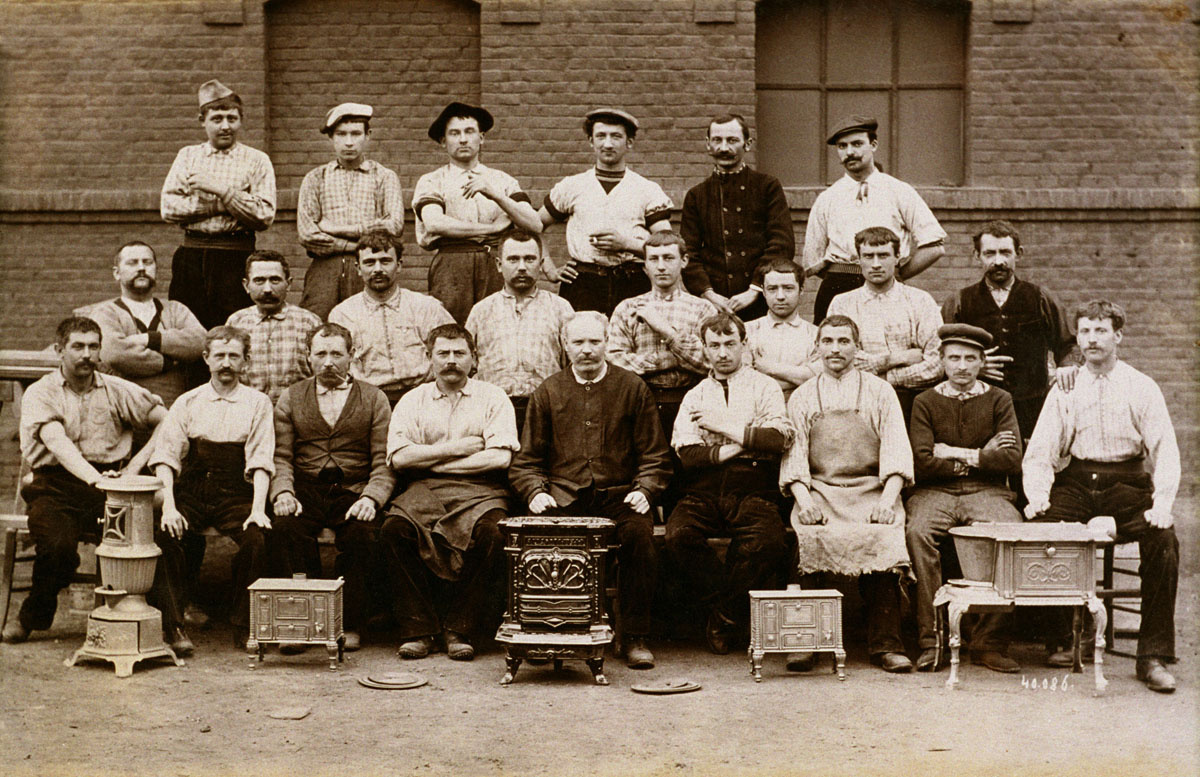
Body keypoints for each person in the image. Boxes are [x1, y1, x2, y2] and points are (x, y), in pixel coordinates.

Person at [1023, 300, 1181, 693]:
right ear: (1077, 338)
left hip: (1128, 484)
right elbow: (1042, 450)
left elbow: (1165, 450)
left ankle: (1153, 656)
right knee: (1043, 529)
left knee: (1163, 539)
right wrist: (1039, 495)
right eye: (1085, 332)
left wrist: (1161, 504)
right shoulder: (1066, 386)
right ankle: (1063, 638)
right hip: (1077, 481)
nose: (1091, 339)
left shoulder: (1141, 386)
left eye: (1100, 331)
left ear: (1118, 336)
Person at [3, 317, 187, 654]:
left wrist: (134, 466)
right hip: (55, 486)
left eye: (93, 346)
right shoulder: (40, 393)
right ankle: (33, 616)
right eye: (78, 346)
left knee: (155, 538)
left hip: (114, 483)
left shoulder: (115, 388)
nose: (87, 354)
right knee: (57, 546)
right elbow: (57, 443)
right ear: (60, 350)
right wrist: (96, 479)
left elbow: (170, 420)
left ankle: (170, 626)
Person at [510, 312, 672, 669]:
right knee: (540, 539)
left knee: (640, 537)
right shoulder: (548, 391)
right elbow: (526, 461)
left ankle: (634, 635)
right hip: (565, 497)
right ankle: (548, 631)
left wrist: (645, 489)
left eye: (594, 342)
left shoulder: (632, 388)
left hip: (620, 495)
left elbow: (655, 455)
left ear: (607, 343)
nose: (586, 350)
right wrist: (536, 491)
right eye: (578, 343)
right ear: (565, 346)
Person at [780, 315, 914, 673]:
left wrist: (887, 502)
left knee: (883, 538)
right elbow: (795, 457)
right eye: (828, 341)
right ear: (817, 347)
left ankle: (885, 645)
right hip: (821, 491)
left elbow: (897, 450)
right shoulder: (803, 395)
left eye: (843, 341)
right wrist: (805, 503)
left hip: (872, 489)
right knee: (807, 541)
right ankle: (805, 642)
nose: (835, 349)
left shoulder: (880, 391)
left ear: (857, 347)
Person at [381, 324, 518, 661]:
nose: (451, 361)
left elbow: (499, 457)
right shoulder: (413, 400)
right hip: (424, 490)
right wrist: (460, 448)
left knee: (494, 534)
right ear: (430, 359)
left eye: (460, 354)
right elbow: (400, 457)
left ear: (475, 359)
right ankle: (420, 629)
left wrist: (432, 460)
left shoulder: (493, 397)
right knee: (394, 531)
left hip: (481, 490)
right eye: (443, 353)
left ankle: (461, 628)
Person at [666, 313, 792, 654]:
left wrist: (721, 426)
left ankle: (724, 614)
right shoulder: (695, 395)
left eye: (730, 344)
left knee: (768, 541)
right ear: (705, 350)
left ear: (743, 345)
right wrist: (742, 441)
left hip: (751, 483)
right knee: (677, 537)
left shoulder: (764, 387)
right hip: (702, 488)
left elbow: (778, 438)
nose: (723, 353)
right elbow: (689, 454)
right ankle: (730, 608)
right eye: (714, 345)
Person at [904, 324, 1023, 674]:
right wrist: (982, 455)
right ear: (941, 360)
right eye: (953, 357)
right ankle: (932, 640)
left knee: (1011, 533)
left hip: (987, 492)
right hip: (933, 493)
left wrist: (954, 454)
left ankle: (989, 642)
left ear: (982, 362)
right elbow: (922, 462)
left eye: (970, 358)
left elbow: (1011, 459)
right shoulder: (924, 401)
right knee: (917, 534)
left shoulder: (1000, 399)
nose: (961, 366)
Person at [151, 326, 280, 647]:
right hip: (192, 489)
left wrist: (257, 510)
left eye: (233, 356)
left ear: (246, 362)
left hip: (236, 492)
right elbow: (167, 458)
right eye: (219, 356)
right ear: (206, 359)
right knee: (163, 536)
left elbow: (261, 459)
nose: (226, 363)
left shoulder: (258, 403)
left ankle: (244, 625)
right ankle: (173, 624)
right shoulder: (188, 401)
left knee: (257, 541)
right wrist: (168, 506)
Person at [270, 323, 395, 652]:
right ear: (308, 357)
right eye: (320, 353)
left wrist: (372, 497)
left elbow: (384, 460)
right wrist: (283, 491)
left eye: (336, 354)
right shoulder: (291, 397)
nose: (328, 362)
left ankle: (348, 621)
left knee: (363, 534)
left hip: (353, 488)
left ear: (352, 356)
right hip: (305, 488)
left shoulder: (374, 398)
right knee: (286, 528)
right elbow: (281, 456)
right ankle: (303, 622)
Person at [941, 220, 1081, 440]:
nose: (998, 261)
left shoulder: (1041, 297)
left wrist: (1068, 368)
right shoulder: (959, 301)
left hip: (1032, 406)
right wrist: (972, 367)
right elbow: (942, 354)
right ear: (977, 256)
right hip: (978, 405)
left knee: (1030, 468)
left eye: (1005, 252)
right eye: (989, 253)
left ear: (1019, 254)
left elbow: (1068, 344)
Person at [803, 114, 945, 323]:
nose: (849, 152)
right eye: (842, 146)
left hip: (888, 286)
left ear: (874, 144)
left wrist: (896, 273)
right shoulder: (827, 198)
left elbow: (934, 245)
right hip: (837, 287)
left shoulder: (899, 191)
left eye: (857, 144)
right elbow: (813, 262)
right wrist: (845, 274)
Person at [161, 79, 276, 329]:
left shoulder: (257, 160)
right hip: (191, 257)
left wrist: (220, 189)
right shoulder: (188, 156)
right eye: (217, 119)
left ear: (241, 120)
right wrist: (227, 204)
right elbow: (169, 207)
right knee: (188, 329)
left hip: (236, 256)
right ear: (202, 120)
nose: (225, 126)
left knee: (236, 329)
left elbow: (264, 214)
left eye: (232, 118)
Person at [413, 102, 542, 324]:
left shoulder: (502, 180)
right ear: (444, 142)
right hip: (452, 263)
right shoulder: (432, 180)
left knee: (498, 326)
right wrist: (491, 228)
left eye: (469, 132)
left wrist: (496, 195)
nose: (463, 139)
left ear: (481, 138)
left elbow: (535, 224)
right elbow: (435, 223)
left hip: (495, 264)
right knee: (450, 327)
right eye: (454, 133)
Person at [538, 108, 674, 315]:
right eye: (601, 136)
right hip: (583, 283)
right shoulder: (572, 186)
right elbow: (534, 226)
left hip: (633, 281)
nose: (608, 144)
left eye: (616, 136)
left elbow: (668, 243)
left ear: (629, 143)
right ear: (591, 142)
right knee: (582, 342)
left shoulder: (647, 189)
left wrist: (627, 244)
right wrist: (549, 269)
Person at [680, 113, 794, 322]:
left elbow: (782, 243)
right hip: (713, 305)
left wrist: (754, 289)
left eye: (732, 140)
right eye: (717, 140)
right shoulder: (697, 195)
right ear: (708, 145)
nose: (724, 148)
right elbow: (688, 253)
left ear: (747, 144)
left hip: (761, 301)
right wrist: (709, 295)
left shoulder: (767, 187)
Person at [297, 102, 405, 319]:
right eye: (341, 134)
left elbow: (394, 226)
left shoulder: (384, 176)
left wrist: (334, 228)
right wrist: (357, 244)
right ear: (331, 138)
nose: (348, 142)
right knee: (318, 323)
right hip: (325, 268)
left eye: (355, 134)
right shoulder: (316, 178)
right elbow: (308, 234)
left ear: (368, 136)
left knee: (370, 322)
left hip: (369, 267)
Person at [607, 230, 718, 441]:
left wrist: (664, 329)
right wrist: (666, 359)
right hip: (640, 403)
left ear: (684, 261)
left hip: (691, 402)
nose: (661, 266)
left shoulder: (703, 309)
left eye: (668, 258)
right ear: (645, 266)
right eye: (653, 259)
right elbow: (615, 363)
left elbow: (710, 361)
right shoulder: (628, 307)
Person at [827, 226, 942, 422]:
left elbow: (936, 364)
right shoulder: (842, 303)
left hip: (913, 404)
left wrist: (883, 371)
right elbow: (841, 361)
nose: (876, 264)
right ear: (858, 259)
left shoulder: (920, 301)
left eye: (883, 255)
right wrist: (901, 357)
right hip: (859, 403)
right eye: (868, 256)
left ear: (898, 257)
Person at [74, 240, 205, 406]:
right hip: (123, 409)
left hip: (172, 409)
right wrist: (171, 361)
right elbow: (114, 354)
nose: (142, 268)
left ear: (156, 269)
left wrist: (150, 340)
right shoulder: (106, 313)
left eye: (147, 262)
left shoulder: (175, 309)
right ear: (117, 273)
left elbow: (200, 342)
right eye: (132, 263)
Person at [329, 231, 455, 404]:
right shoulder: (343, 314)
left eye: (385, 261)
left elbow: (453, 351)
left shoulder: (427, 307)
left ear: (399, 265)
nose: (378, 269)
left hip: (423, 398)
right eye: (369, 263)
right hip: (367, 401)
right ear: (358, 268)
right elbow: (336, 367)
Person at [465, 230, 573, 430]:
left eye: (529, 259)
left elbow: (572, 365)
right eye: (513, 259)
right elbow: (468, 365)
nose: (522, 267)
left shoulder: (561, 308)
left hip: (547, 410)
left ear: (541, 265)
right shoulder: (481, 310)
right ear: (499, 265)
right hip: (493, 410)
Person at [225, 250, 322, 403]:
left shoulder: (309, 322)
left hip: (297, 411)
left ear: (288, 284)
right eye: (259, 281)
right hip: (248, 409)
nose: (267, 289)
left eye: (275, 280)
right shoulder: (236, 323)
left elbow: (321, 376)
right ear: (246, 285)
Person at [743, 259, 820, 402]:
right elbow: (743, 380)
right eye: (772, 289)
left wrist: (767, 368)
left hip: (803, 407)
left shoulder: (817, 335)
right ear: (764, 292)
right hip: (757, 409)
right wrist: (798, 376)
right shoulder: (746, 331)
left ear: (801, 290)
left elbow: (817, 380)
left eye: (788, 288)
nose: (780, 296)